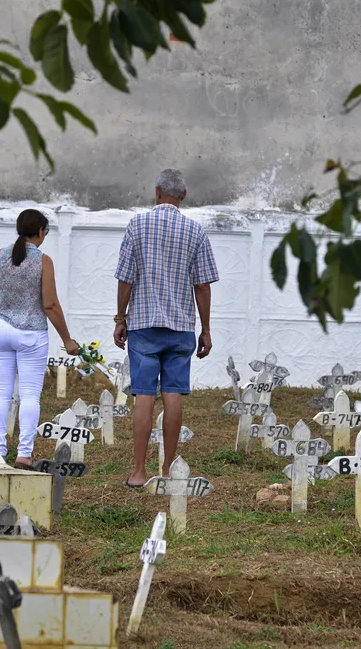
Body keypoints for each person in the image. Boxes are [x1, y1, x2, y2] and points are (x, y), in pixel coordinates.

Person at [113, 169, 219, 487]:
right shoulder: (195, 231)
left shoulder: (137, 225)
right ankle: (168, 470)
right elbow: (202, 286)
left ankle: (138, 472)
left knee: (144, 395)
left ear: (157, 192)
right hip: (181, 325)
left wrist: (120, 318)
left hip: (144, 324)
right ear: (183, 196)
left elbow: (125, 278)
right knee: (174, 395)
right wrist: (206, 329)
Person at [0, 209, 80, 467]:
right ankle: (24, 454)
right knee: (29, 395)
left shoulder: (0, 255)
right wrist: (68, 340)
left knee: (0, 392)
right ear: (40, 232)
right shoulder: (43, 261)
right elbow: (50, 305)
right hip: (31, 332)